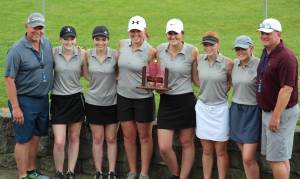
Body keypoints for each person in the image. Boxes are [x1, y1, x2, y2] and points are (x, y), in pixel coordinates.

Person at [4, 12, 52, 179]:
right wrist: (16, 107)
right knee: (24, 139)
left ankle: (32, 171)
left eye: (40, 27)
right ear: (26, 27)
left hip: (43, 98)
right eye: (34, 27)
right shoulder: (16, 50)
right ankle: (22, 175)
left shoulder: (46, 44)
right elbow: (9, 79)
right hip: (24, 100)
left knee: (36, 136)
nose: (37, 31)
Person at [256, 18, 299, 179]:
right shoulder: (267, 52)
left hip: (280, 113)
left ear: (278, 34)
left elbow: (287, 89)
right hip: (270, 111)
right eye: (262, 33)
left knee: (275, 159)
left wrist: (275, 116)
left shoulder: (285, 57)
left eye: (268, 33)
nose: (264, 36)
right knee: (280, 157)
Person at [156, 18, 198, 179]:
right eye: (170, 33)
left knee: (187, 143)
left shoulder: (192, 51)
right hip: (167, 101)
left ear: (182, 34)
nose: (172, 36)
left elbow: (195, 79)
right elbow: (155, 75)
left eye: (176, 33)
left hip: (186, 101)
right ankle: (175, 173)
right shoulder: (159, 50)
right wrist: (156, 88)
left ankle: (183, 177)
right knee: (164, 147)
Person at [117, 15, 156, 179]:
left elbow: (155, 77)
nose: (135, 34)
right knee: (128, 135)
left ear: (145, 31)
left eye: (138, 31)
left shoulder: (151, 51)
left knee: (145, 136)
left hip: (143, 99)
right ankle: (133, 171)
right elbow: (117, 67)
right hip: (124, 97)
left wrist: (152, 84)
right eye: (132, 31)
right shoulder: (122, 44)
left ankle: (144, 173)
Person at [192, 31, 233, 179]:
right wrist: (203, 86)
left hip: (220, 110)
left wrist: (222, 90)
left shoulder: (228, 63)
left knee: (221, 150)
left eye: (211, 45)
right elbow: (195, 78)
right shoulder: (199, 59)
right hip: (203, 109)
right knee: (207, 150)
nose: (208, 47)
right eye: (205, 45)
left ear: (218, 45)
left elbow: (230, 81)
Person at [84, 25, 118, 179]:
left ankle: (111, 172)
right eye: (97, 39)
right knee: (97, 138)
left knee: (111, 138)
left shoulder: (115, 55)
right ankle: (98, 171)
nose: (100, 43)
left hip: (112, 102)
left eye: (103, 39)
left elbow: (119, 74)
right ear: (93, 40)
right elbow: (85, 75)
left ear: (108, 40)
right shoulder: (87, 55)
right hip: (93, 103)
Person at [50, 26, 85, 179]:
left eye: (72, 38)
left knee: (74, 138)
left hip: (76, 99)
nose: (69, 41)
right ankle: (59, 171)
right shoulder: (53, 53)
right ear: (60, 39)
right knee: (59, 141)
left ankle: (70, 171)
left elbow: (90, 74)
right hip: (58, 100)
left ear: (75, 39)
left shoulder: (83, 54)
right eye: (66, 38)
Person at [229, 35, 260, 179]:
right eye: (237, 49)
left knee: (248, 157)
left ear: (251, 48)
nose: (240, 51)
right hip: (236, 110)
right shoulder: (234, 64)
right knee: (244, 154)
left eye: (243, 48)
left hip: (252, 112)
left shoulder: (259, 64)